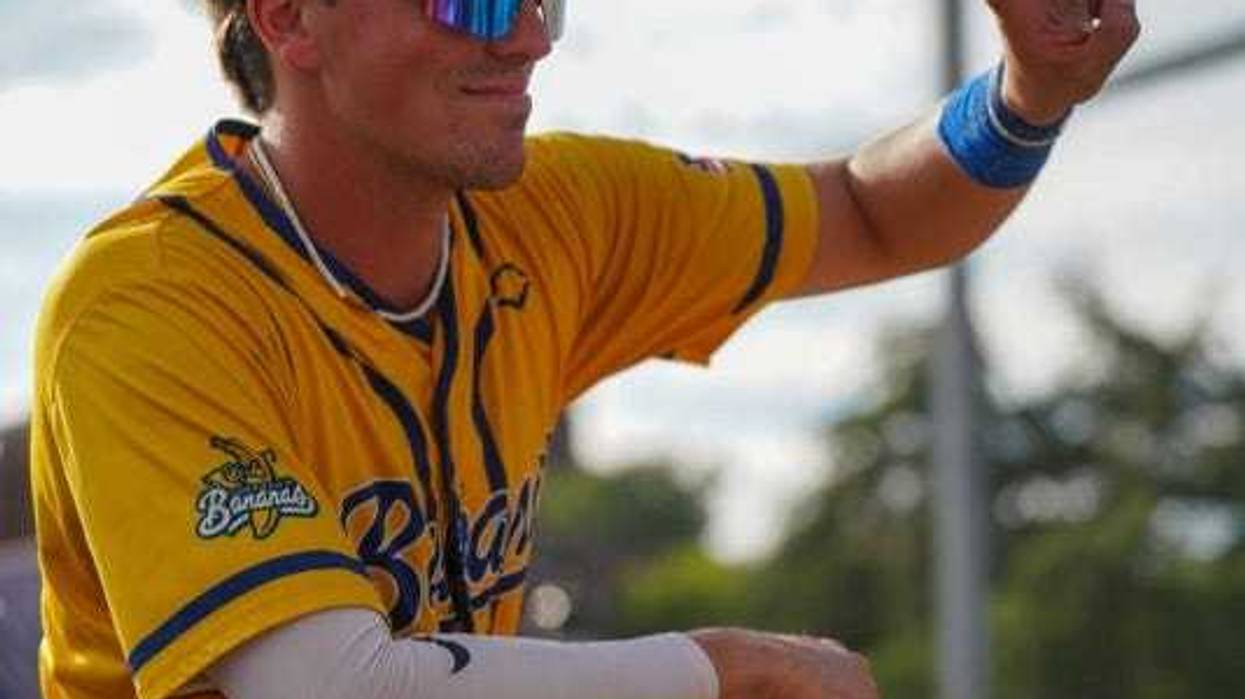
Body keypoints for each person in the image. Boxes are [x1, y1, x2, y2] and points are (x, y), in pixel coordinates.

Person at [29, 0, 1139, 697]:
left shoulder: (556, 212)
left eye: (543, 1)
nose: (520, 39)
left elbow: (868, 211)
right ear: (289, 18)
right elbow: (327, 683)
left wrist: (1025, 98)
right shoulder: (147, 302)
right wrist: (725, 670)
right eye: (469, 0)